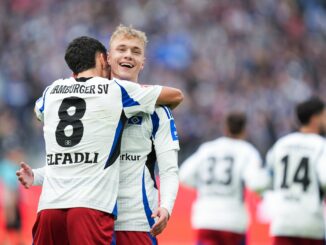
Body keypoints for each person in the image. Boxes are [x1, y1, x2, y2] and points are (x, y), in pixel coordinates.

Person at [17, 35, 183, 245]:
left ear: (143, 62)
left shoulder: (158, 111)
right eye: (121, 49)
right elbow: (82, 159)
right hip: (96, 211)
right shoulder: (115, 92)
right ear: (107, 59)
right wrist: (40, 175)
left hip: (135, 220)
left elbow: (169, 169)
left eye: (136, 51)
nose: (128, 55)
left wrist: (166, 206)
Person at [179, 112, 267, 245]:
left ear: (225, 128)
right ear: (245, 130)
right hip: (233, 220)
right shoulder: (247, 151)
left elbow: (184, 175)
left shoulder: (207, 148)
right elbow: (255, 183)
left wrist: (205, 186)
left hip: (205, 218)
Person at [264, 97, 326, 245]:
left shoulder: (280, 144)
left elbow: (265, 180)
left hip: (283, 221)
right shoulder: (322, 146)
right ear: (314, 118)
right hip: (310, 224)